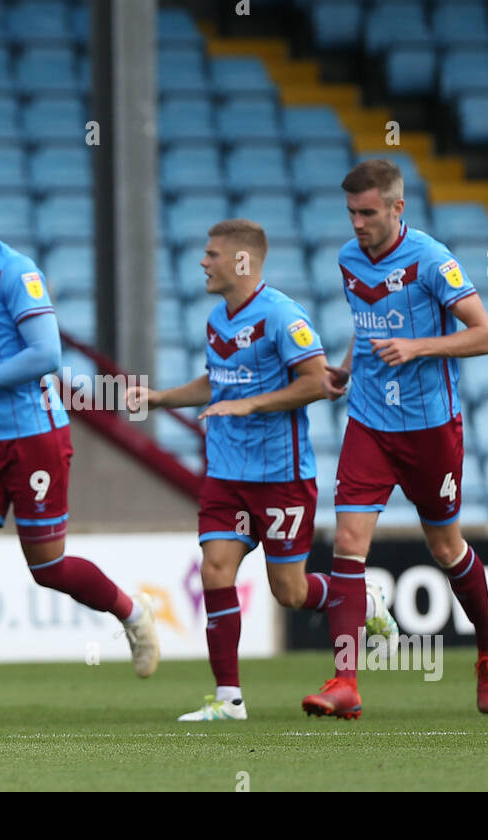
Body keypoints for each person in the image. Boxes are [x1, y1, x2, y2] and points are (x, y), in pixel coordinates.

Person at [0, 167, 159, 721]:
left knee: (46, 567)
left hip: (34, 436)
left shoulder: (17, 273)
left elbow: (47, 357)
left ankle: (132, 613)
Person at [128, 219, 394, 722]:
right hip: (227, 474)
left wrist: (250, 406)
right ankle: (228, 700)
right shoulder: (216, 320)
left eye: (212, 254)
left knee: (289, 592)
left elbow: (317, 383)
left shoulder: (282, 316)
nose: (203, 263)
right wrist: (161, 399)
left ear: (242, 261)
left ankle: (363, 600)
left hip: (281, 476)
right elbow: (217, 382)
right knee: (215, 570)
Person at [302, 158, 488, 718]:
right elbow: (367, 325)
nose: (358, 224)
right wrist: (345, 368)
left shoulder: (433, 261)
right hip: (369, 420)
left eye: (368, 212)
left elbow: (487, 336)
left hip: (430, 427)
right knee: (348, 542)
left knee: (445, 548)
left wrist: (418, 347)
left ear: (398, 208)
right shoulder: (348, 260)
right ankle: (345, 681)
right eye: (351, 213)